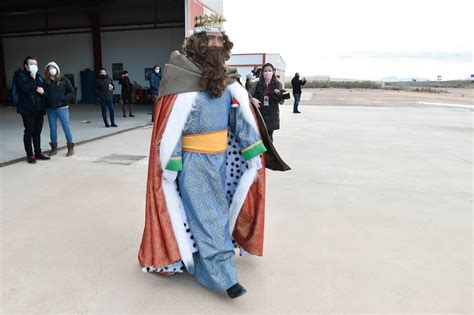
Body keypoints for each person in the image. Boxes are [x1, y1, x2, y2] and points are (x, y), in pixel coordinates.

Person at [138, 14, 289, 299]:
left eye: (221, 39)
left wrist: (255, 154)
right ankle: (224, 276)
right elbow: (172, 127)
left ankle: (201, 262)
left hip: (221, 162)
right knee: (209, 217)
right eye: (210, 39)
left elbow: (240, 119)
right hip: (193, 163)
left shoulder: (226, 78)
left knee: (213, 215)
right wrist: (172, 164)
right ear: (197, 43)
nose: (216, 44)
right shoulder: (180, 76)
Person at [13, 56, 50, 164]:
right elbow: (23, 88)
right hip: (27, 109)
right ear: (26, 66)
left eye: (35, 64)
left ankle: (38, 152)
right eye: (31, 64)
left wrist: (43, 92)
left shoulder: (39, 77)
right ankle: (30, 154)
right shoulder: (20, 76)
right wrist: (32, 78)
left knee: (37, 132)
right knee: (29, 132)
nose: (34, 66)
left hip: (39, 108)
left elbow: (45, 92)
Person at [43, 61, 76, 157]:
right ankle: (54, 149)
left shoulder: (64, 80)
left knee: (66, 128)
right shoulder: (46, 82)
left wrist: (65, 99)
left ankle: (70, 148)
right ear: (46, 71)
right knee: (52, 129)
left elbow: (71, 91)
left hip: (63, 108)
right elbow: (44, 94)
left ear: (57, 69)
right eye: (49, 68)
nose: (51, 69)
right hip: (51, 109)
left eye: (53, 67)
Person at [250, 63, 285, 141]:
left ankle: (269, 153)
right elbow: (248, 96)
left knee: (269, 137)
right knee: (259, 137)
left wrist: (279, 94)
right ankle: (261, 153)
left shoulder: (278, 84)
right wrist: (253, 99)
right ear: (262, 72)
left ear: (273, 72)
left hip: (272, 114)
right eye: (265, 71)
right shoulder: (257, 84)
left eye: (269, 70)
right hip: (260, 114)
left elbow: (282, 102)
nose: (268, 72)